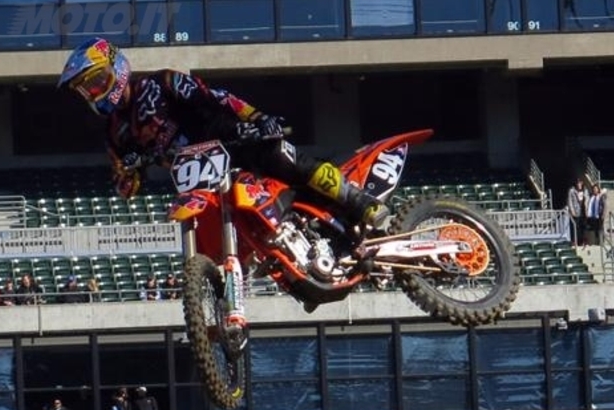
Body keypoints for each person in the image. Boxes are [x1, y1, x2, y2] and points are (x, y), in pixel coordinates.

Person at [57, 38, 388, 302]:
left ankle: (362, 203)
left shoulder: (162, 82)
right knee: (210, 236)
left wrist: (258, 118)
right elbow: (126, 188)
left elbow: (217, 97)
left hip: (231, 141)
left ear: (117, 68)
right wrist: (128, 173)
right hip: (198, 179)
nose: (95, 92)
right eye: (87, 89)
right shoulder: (115, 132)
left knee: (285, 159)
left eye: (97, 81)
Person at [566, 178, 587, 247]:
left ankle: (582, 242)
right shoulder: (572, 191)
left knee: (582, 227)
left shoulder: (585, 191)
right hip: (575, 212)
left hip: (583, 212)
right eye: (578, 183)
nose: (579, 184)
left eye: (580, 183)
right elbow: (570, 201)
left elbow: (587, 199)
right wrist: (572, 211)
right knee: (575, 227)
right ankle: (574, 241)